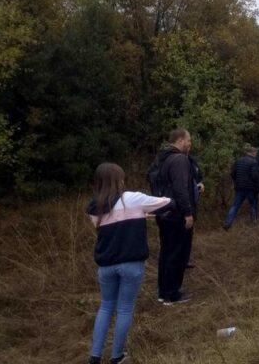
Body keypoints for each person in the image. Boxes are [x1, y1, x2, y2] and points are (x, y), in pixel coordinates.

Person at [87, 163, 171, 364]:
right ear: (119, 179)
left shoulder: (93, 208)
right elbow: (167, 202)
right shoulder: (133, 198)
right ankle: (117, 356)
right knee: (124, 309)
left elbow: (115, 223)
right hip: (131, 264)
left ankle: (95, 356)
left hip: (105, 265)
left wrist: (139, 214)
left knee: (106, 307)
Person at [154, 129, 196, 305]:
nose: (189, 144)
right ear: (180, 140)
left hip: (164, 212)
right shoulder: (179, 160)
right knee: (177, 254)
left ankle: (163, 292)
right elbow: (180, 189)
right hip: (177, 214)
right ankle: (173, 294)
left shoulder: (161, 158)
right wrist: (187, 213)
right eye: (188, 140)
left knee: (166, 252)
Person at [224, 144, 259, 230]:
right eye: (255, 152)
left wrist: (236, 182)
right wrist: (258, 187)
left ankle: (227, 223)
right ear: (252, 153)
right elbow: (255, 176)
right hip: (250, 188)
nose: (256, 154)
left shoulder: (238, 161)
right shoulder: (253, 162)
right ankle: (254, 222)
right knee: (253, 204)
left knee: (235, 206)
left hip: (239, 188)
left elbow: (232, 173)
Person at [184, 156, 204, 270]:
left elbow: (199, 176)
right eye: (188, 141)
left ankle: (185, 260)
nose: (189, 144)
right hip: (181, 207)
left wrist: (200, 183)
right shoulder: (173, 161)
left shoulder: (192, 161)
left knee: (189, 234)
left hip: (192, 204)